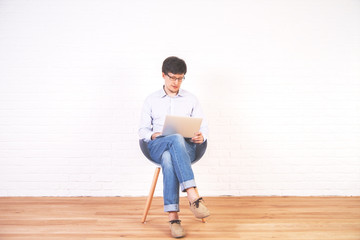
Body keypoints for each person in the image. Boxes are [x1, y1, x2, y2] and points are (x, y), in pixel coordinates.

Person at [138, 56, 210, 238]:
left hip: (185, 148)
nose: (176, 82)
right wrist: (153, 135)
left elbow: (203, 128)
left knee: (170, 157)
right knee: (173, 139)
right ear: (163, 75)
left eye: (180, 78)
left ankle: (173, 218)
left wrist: (201, 136)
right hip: (157, 145)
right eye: (172, 78)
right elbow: (142, 130)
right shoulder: (151, 100)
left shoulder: (191, 99)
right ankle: (193, 196)